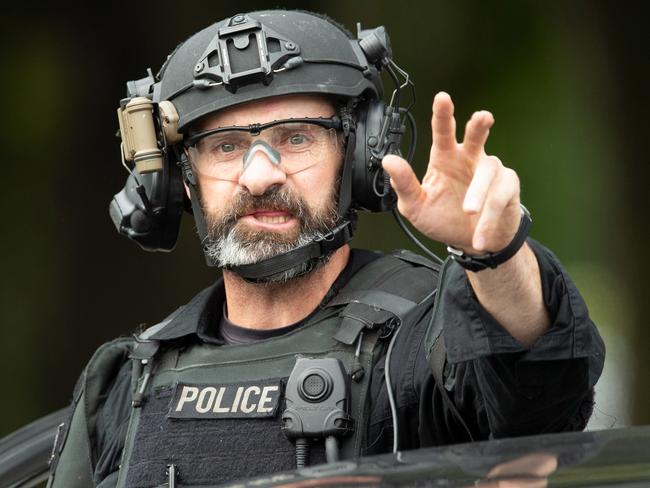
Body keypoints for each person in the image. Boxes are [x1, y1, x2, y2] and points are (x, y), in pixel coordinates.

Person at [47, 9, 604, 488]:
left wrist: (497, 257)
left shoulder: (416, 342)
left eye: (296, 137)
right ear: (181, 181)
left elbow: (536, 396)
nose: (260, 176)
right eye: (225, 146)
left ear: (358, 155)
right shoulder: (129, 377)